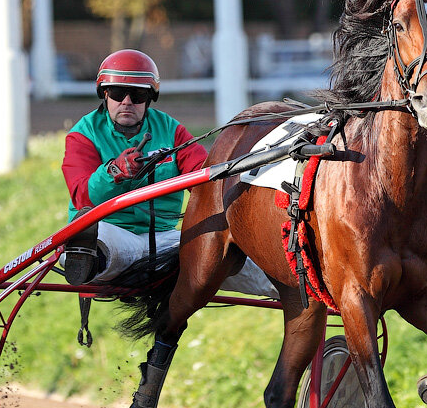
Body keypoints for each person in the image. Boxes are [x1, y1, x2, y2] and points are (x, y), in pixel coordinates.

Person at [61, 49, 275, 343]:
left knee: (224, 250)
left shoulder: (172, 131)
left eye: (136, 96)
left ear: (148, 99)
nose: (127, 102)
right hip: (111, 230)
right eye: (118, 93)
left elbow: (206, 176)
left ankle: (295, 284)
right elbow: (82, 194)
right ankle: (86, 256)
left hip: (162, 237)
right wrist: (114, 172)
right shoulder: (82, 135)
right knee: (104, 240)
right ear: (105, 94)